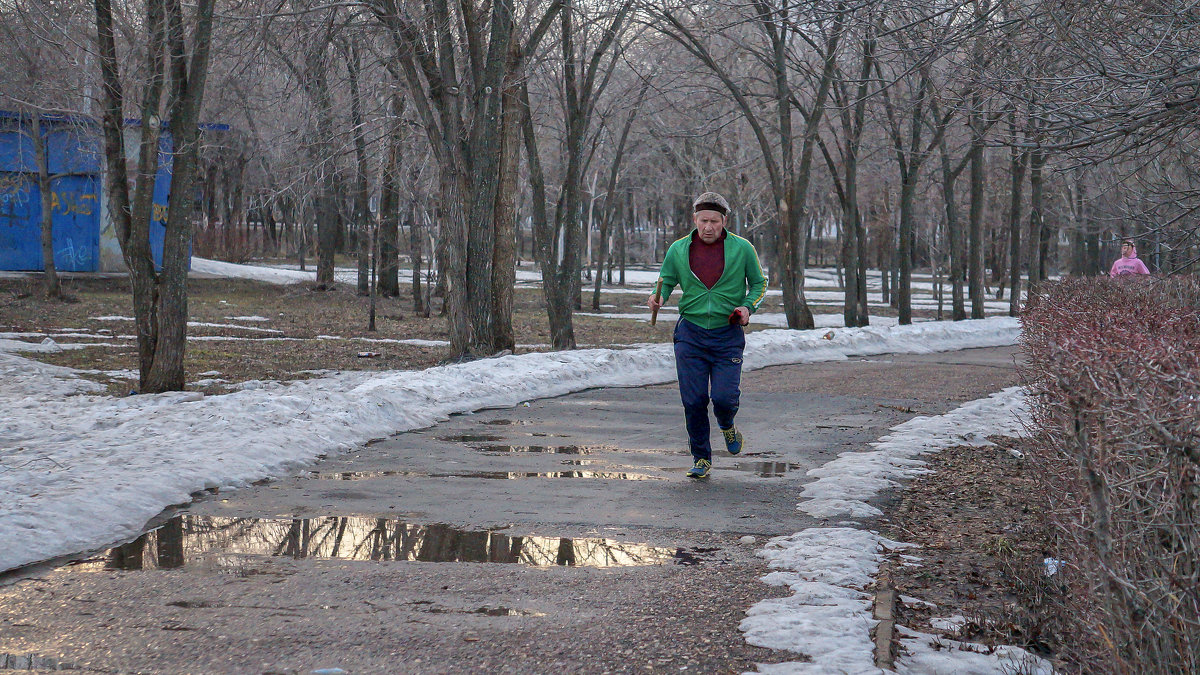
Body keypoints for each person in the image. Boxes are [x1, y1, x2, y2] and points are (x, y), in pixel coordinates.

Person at [647, 192, 767, 479]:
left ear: (724, 221)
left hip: (728, 333)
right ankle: (701, 457)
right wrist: (658, 295)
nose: (708, 227)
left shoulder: (742, 248)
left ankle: (727, 424)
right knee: (694, 400)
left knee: (724, 398)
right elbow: (666, 279)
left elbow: (759, 284)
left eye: (714, 221)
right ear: (695, 220)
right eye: (703, 221)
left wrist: (747, 307)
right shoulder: (679, 249)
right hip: (691, 333)